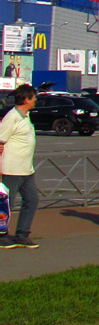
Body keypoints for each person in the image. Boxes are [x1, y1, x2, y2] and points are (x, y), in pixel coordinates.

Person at [0, 84, 40, 248]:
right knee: (6, 204)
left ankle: (22, 235)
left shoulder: (26, 116)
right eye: (33, 97)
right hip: (12, 169)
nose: (36, 99)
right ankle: (2, 236)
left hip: (26, 170)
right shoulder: (12, 117)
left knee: (32, 199)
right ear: (26, 99)